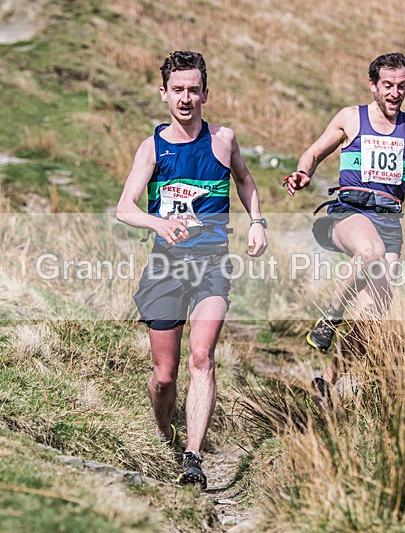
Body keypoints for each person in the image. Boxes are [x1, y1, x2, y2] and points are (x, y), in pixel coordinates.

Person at [284, 52, 405, 400]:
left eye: (401, 86)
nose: (394, 93)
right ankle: (329, 318)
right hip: (348, 213)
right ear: (372, 85)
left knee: (371, 318)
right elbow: (314, 153)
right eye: (387, 85)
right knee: (369, 250)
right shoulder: (350, 118)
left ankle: (325, 382)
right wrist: (304, 174)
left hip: (389, 223)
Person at [116, 50, 268, 488]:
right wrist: (158, 221)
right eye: (178, 90)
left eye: (194, 90)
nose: (186, 98)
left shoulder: (224, 139)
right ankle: (164, 431)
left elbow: (244, 180)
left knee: (202, 358)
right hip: (165, 266)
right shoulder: (152, 148)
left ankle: (193, 458)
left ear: (206, 93)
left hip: (212, 265)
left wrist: (256, 222)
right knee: (165, 376)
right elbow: (125, 207)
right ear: (163, 93)